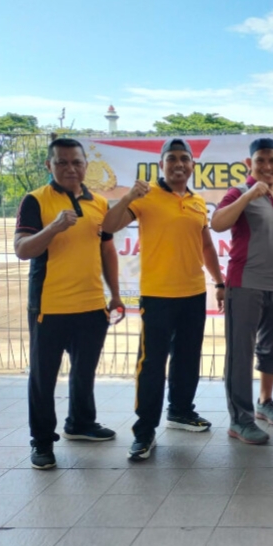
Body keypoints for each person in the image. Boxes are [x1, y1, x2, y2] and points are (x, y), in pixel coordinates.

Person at [102, 138, 224, 462]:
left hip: (193, 293)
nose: (179, 164)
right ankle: (144, 433)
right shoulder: (145, 196)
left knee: (187, 358)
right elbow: (108, 226)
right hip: (157, 296)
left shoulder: (197, 202)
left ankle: (181, 411)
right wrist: (128, 196)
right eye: (172, 159)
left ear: (192, 165)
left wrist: (219, 281)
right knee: (152, 365)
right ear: (161, 165)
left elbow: (206, 246)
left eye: (185, 159)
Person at [14, 138, 123, 470]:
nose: (70, 168)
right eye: (61, 162)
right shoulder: (35, 200)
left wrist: (115, 294)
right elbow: (22, 249)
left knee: (84, 372)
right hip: (50, 307)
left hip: (91, 305)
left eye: (76, 162)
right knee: (43, 378)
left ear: (86, 165)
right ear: (49, 165)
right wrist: (54, 227)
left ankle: (81, 423)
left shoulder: (98, 203)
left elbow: (106, 249)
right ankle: (42, 442)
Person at [211, 138, 273, 445]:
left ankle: (265, 402)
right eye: (260, 161)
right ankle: (240, 419)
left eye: (272, 160)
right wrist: (249, 195)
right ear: (249, 164)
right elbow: (217, 223)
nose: (267, 166)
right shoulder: (238, 192)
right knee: (241, 354)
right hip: (245, 284)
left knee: (272, 349)